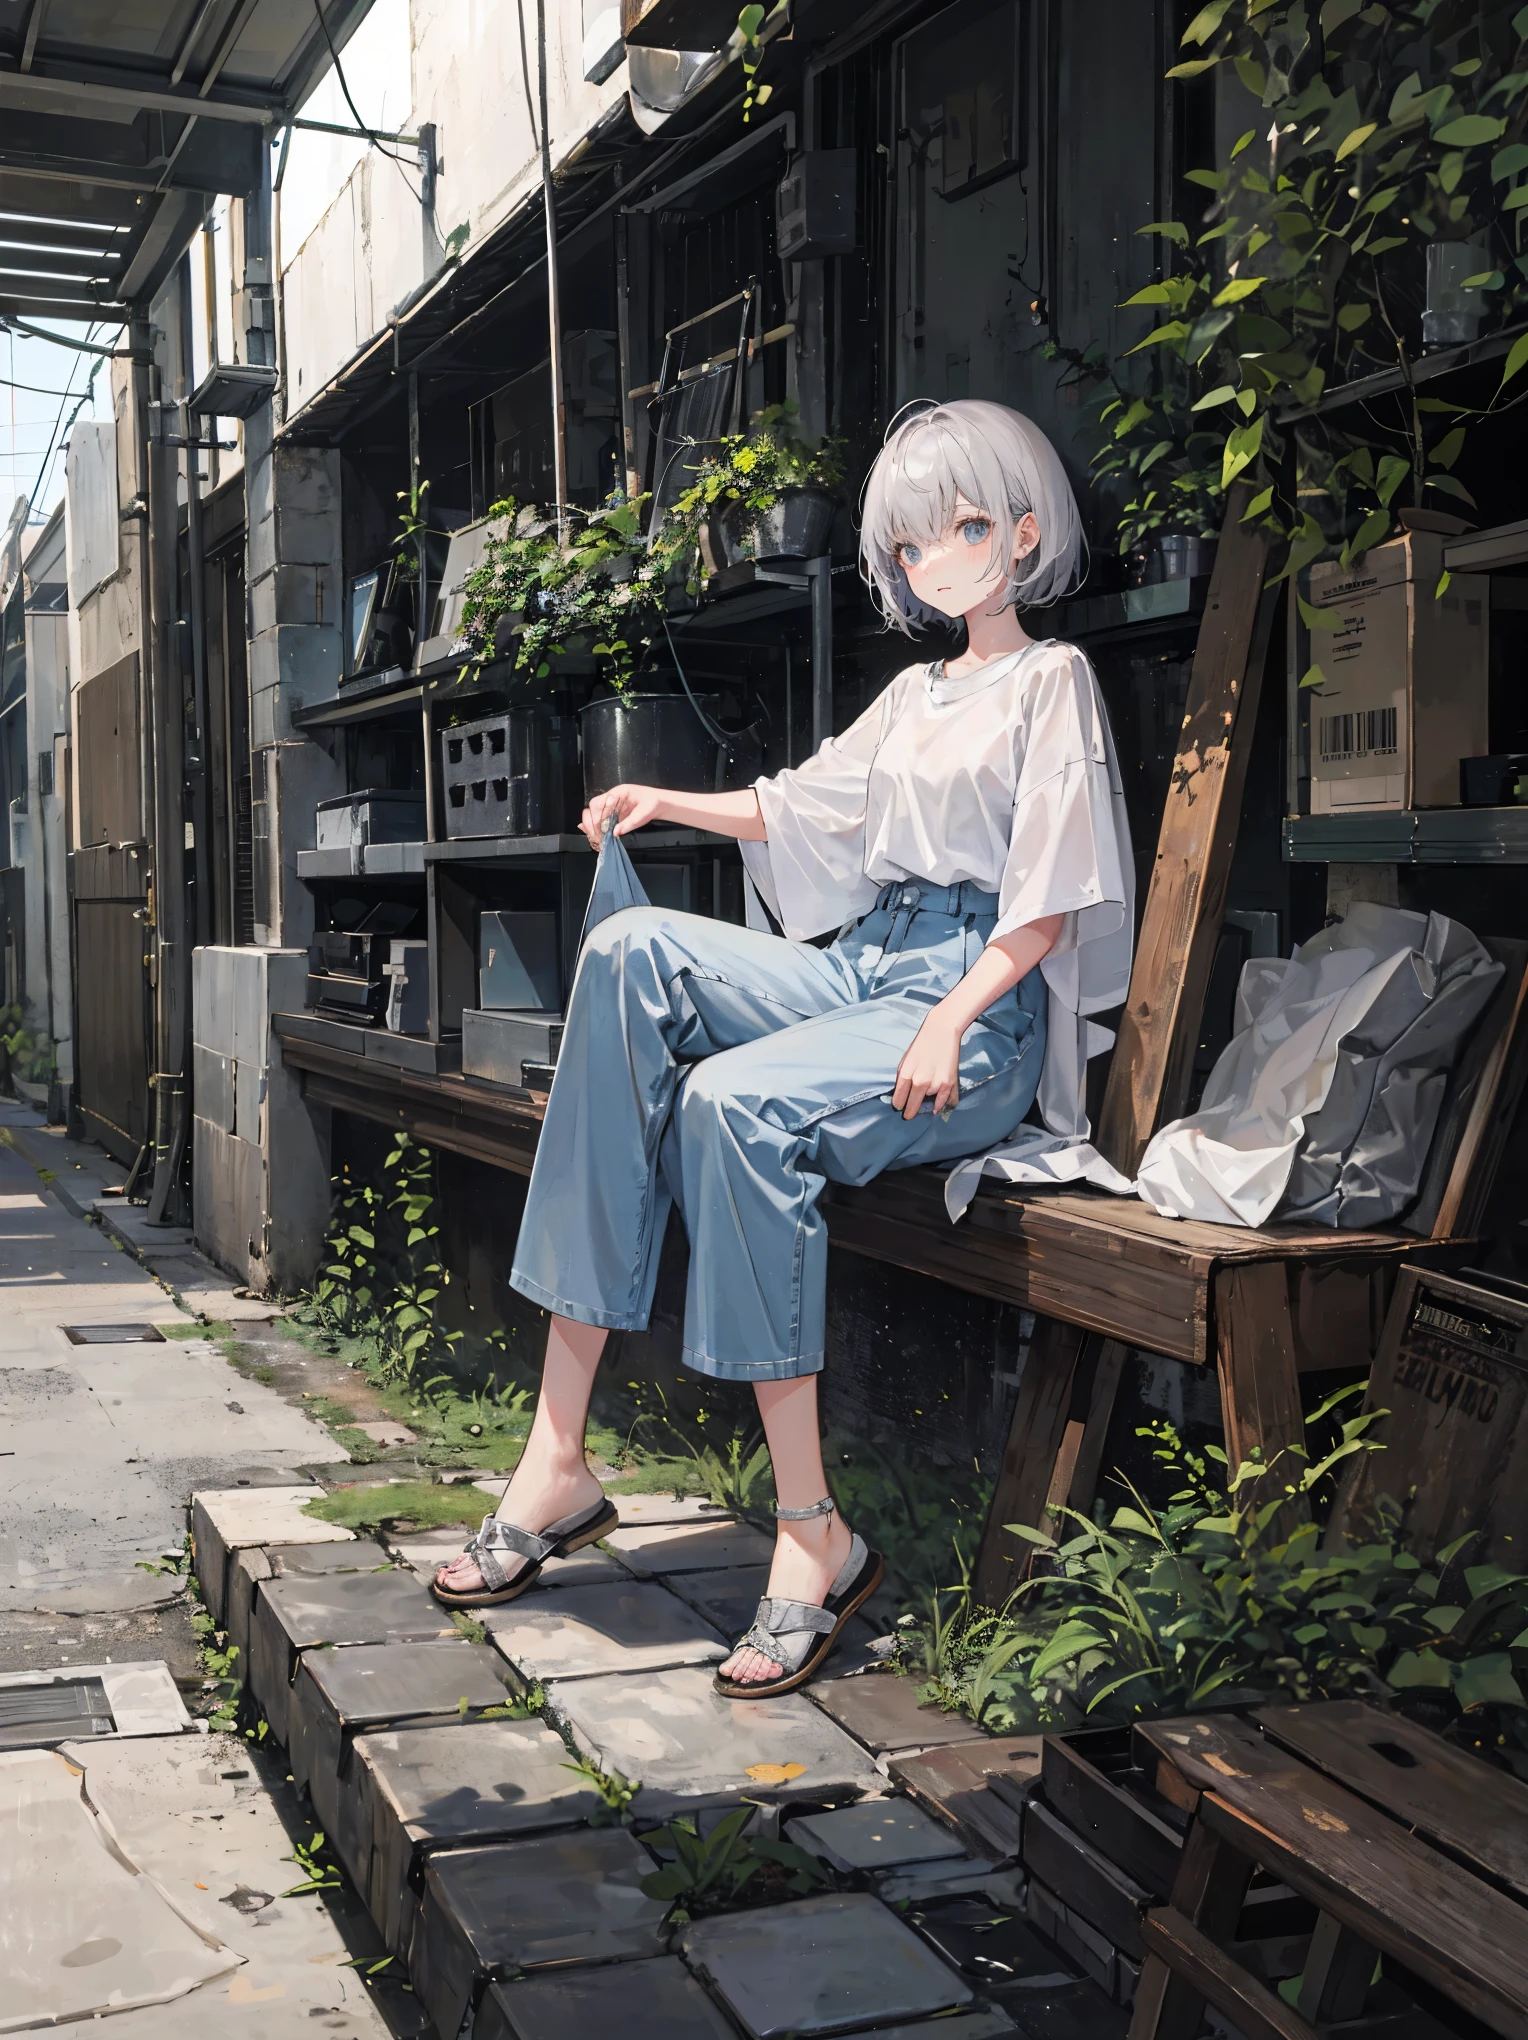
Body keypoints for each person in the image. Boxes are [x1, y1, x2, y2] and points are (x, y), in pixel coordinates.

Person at [433, 398, 1133, 1699]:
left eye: (967, 527)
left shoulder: (1054, 681)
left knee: (732, 1105)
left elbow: (1049, 894)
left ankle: (813, 1533)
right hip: (863, 968)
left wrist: (950, 1015)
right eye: (917, 541)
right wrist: (664, 800)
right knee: (630, 952)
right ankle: (556, 1451)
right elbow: (800, 808)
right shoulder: (917, 695)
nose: (939, 557)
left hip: (970, 1008)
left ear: (1025, 534)